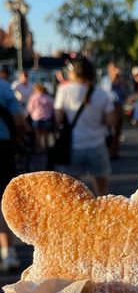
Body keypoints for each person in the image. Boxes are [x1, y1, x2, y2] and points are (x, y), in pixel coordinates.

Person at [54, 57, 115, 195]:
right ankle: (102, 215)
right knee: (102, 191)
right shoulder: (102, 93)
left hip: (74, 147)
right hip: (97, 145)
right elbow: (111, 120)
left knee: (73, 192)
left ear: (74, 72)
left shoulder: (64, 90)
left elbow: (58, 118)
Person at [0, 75, 27, 272]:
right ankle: (7, 252)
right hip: (2, 146)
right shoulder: (4, 88)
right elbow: (18, 121)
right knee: (2, 198)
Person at [26, 83, 54, 152]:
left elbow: (29, 108)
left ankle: (38, 149)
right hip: (47, 117)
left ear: (36, 89)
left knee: (37, 135)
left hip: (36, 117)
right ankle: (46, 148)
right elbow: (52, 107)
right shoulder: (48, 97)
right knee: (46, 134)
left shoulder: (33, 97)